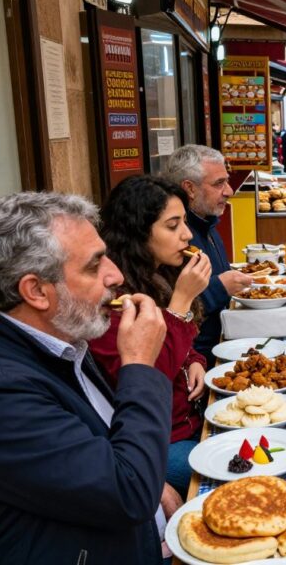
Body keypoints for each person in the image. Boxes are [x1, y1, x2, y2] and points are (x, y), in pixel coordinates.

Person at [0, 192, 171, 563]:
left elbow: (88, 452)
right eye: (94, 265)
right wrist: (138, 365)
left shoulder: (57, 334)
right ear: (36, 291)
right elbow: (127, 493)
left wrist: (154, 481)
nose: (115, 275)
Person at [89, 176, 211, 501]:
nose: (187, 234)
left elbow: (185, 339)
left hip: (192, 419)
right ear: (138, 232)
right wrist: (182, 301)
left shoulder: (159, 272)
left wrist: (195, 360)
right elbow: (148, 375)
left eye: (185, 222)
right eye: (172, 226)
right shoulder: (114, 302)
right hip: (161, 441)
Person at [160, 145, 252, 367]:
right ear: (189, 189)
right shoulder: (174, 241)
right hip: (202, 359)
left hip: (222, 343)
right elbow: (171, 308)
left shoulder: (207, 223)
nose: (229, 191)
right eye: (219, 183)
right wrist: (220, 287)